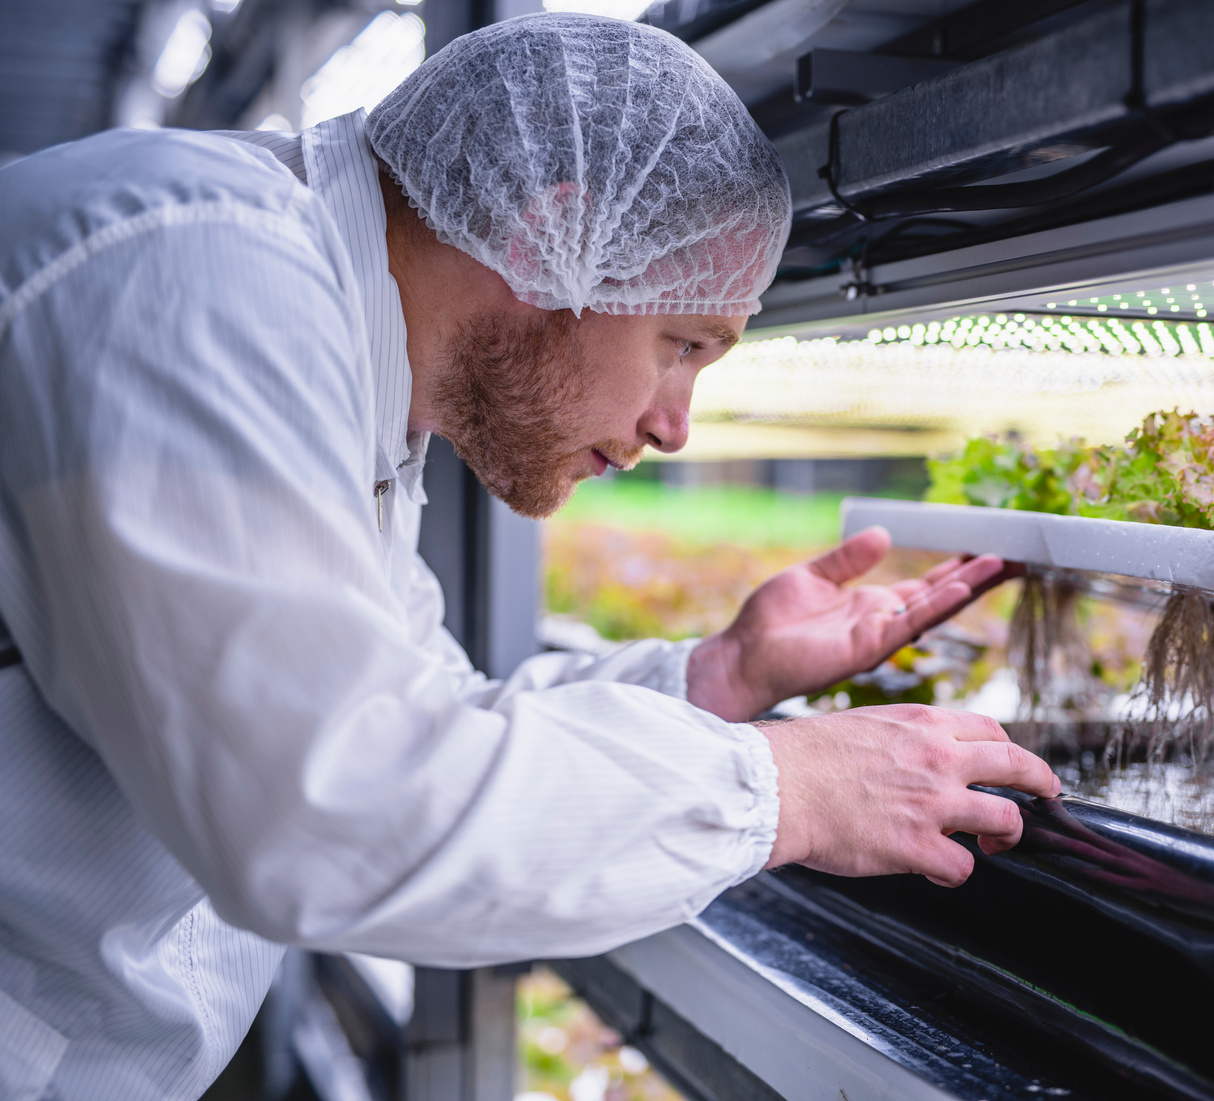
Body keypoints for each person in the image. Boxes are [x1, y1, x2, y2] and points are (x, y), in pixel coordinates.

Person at [0, 13, 1058, 1099]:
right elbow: (332, 810)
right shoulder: (197, 279)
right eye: (682, 344)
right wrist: (791, 787)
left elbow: (421, 715)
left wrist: (716, 675)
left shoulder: (335, 353)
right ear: (547, 235)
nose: (674, 427)